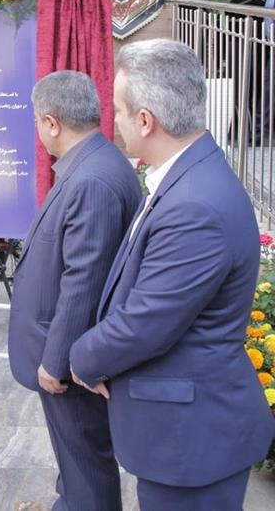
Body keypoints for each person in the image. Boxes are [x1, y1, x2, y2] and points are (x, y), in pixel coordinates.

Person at [70, 39, 275, 510]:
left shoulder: (195, 205)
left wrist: (81, 359)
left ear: (146, 120)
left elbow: (146, 321)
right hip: (185, 432)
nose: (114, 122)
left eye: (119, 110)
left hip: (191, 442)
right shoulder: (188, 173)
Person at [7, 70, 141, 511]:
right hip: (68, 351)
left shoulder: (92, 179)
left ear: (51, 123)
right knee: (75, 457)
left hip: (70, 360)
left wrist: (56, 360)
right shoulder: (92, 162)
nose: (37, 129)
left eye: (35, 120)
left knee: (85, 463)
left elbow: (84, 280)